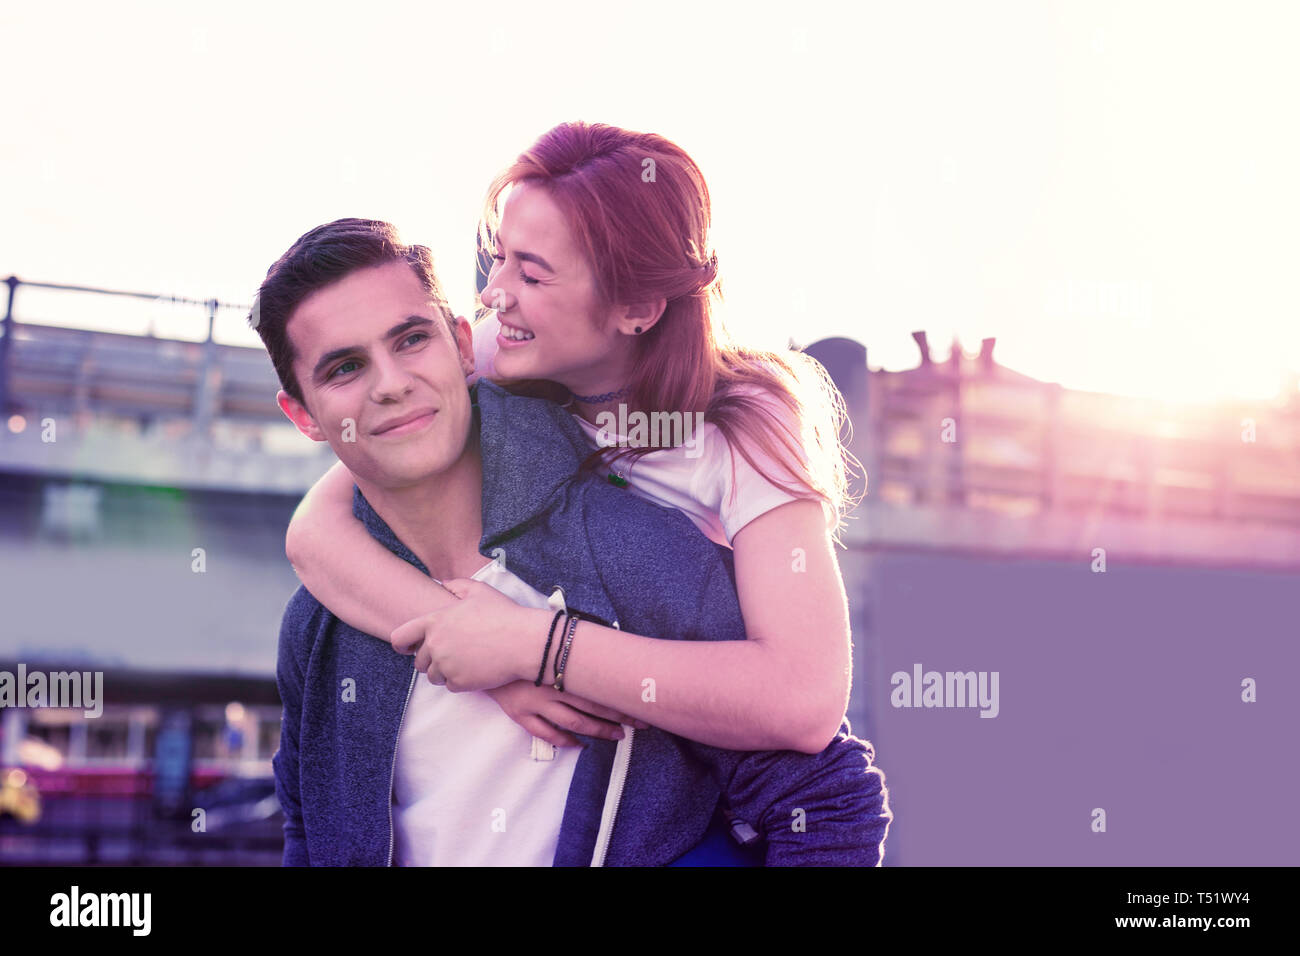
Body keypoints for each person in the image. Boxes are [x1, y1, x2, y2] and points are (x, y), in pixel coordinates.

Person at [257, 217, 891, 865]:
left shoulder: (635, 557)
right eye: (345, 368)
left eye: (411, 340)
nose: (389, 383)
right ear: (303, 416)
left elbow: (828, 799)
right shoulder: (319, 625)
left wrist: (536, 647)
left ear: (461, 348)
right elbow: (309, 836)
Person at [286, 121, 860, 757]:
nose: (492, 294)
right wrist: (486, 661)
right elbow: (316, 533)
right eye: (498, 256)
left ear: (637, 308)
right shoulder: (489, 355)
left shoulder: (747, 420)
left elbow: (804, 701)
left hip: (692, 778)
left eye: (532, 276)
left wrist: (533, 647)